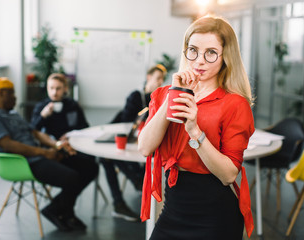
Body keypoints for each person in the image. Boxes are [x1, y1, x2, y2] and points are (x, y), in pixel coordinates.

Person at [138, 16, 255, 239]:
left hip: (215, 216)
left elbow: (229, 175)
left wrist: (195, 130)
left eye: (210, 53)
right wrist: (174, 94)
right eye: (193, 50)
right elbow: (145, 147)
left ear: (225, 57)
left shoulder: (234, 104)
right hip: (174, 208)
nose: (199, 60)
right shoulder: (164, 93)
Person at [0, 77, 99, 232]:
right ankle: (67, 213)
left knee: (90, 167)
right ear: (2, 94)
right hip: (24, 162)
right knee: (72, 177)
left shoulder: (13, 114)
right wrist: (44, 152)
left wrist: (56, 145)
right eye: (13, 94)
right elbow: (8, 145)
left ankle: (55, 209)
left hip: (38, 155)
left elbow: (35, 132)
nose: (16, 98)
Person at [100, 64, 167, 221]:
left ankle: (137, 182)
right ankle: (137, 181)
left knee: (109, 159)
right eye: (157, 78)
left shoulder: (159, 97)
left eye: (162, 79)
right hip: (125, 136)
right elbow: (126, 121)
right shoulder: (135, 96)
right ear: (148, 77)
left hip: (140, 140)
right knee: (108, 157)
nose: (159, 82)